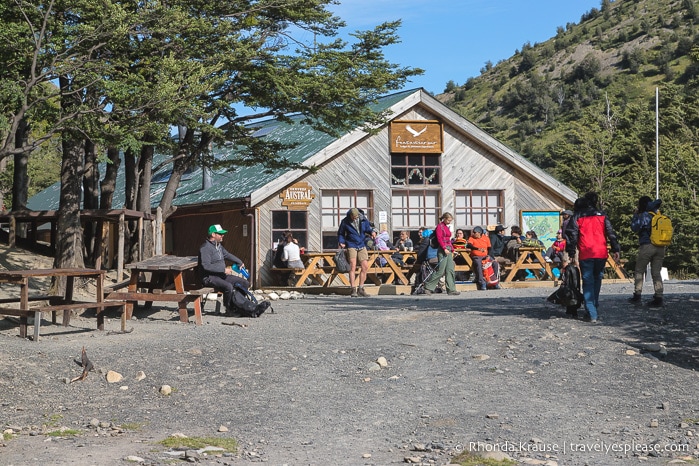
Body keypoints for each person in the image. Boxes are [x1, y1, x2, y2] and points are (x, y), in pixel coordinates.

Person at [565, 192, 621, 323]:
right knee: (597, 280)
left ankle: (592, 312)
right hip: (601, 252)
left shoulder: (578, 216)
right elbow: (610, 233)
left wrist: (571, 252)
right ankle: (593, 306)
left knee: (588, 282)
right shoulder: (602, 215)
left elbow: (571, 235)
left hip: (586, 252)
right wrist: (616, 248)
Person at [199, 224, 270, 317]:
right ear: (213, 234)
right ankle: (229, 310)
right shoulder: (205, 248)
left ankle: (240, 306)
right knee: (228, 287)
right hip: (209, 277)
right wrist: (223, 270)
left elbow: (227, 255)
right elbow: (206, 266)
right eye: (220, 234)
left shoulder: (218, 246)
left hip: (221, 276)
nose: (222, 235)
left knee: (244, 283)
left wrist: (239, 262)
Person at [629, 196, 665, 307]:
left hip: (647, 245)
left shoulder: (644, 215)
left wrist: (636, 215)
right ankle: (658, 296)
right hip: (660, 246)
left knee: (639, 270)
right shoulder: (658, 215)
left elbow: (634, 228)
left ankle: (637, 295)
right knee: (656, 272)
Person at [337, 207, 373, 297]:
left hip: (361, 244)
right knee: (352, 266)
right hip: (351, 244)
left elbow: (368, 229)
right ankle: (353, 289)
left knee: (365, 266)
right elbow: (341, 233)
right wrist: (342, 241)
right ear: (350, 215)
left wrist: (372, 232)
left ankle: (361, 288)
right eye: (353, 217)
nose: (355, 218)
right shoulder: (345, 221)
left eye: (356, 216)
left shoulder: (363, 220)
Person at [422, 212, 460, 296]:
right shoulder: (440, 227)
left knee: (450, 269)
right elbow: (439, 239)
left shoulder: (446, 227)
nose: (449, 222)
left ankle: (451, 289)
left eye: (451, 220)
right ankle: (428, 287)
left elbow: (448, 240)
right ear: (445, 219)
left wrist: (453, 250)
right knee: (441, 270)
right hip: (442, 249)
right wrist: (444, 248)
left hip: (448, 248)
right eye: (449, 220)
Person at [466, 226, 492, 290]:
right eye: (473, 232)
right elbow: (469, 245)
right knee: (478, 264)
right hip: (476, 256)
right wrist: (477, 248)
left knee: (494, 263)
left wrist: (489, 255)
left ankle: (494, 282)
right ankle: (482, 282)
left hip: (485, 255)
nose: (473, 233)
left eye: (475, 232)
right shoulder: (471, 238)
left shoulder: (486, 238)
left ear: (479, 233)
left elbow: (489, 248)